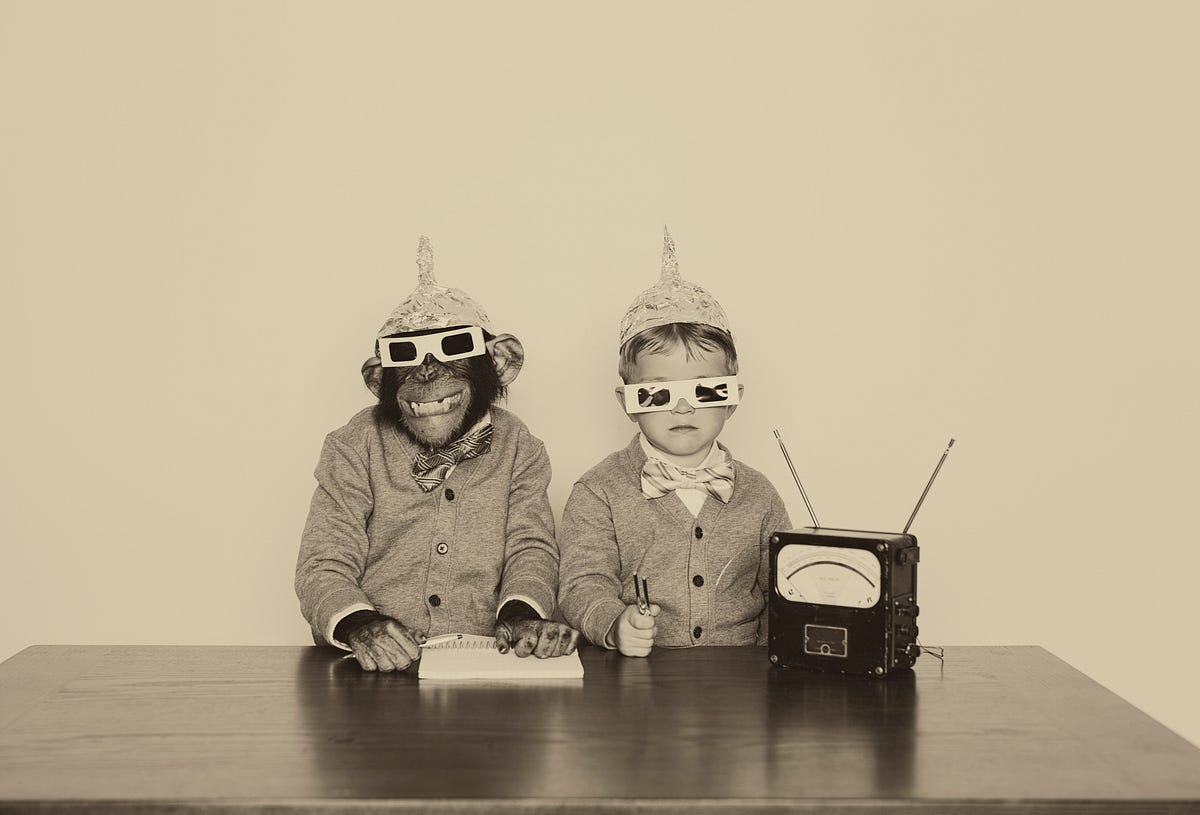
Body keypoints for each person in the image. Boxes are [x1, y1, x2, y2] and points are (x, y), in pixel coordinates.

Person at [296, 237, 579, 671]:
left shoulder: (518, 444)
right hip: (371, 663)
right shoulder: (354, 444)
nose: (427, 373)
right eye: (406, 357)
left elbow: (531, 547)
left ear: (500, 362)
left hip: (484, 659)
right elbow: (324, 559)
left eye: (453, 350)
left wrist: (520, 614)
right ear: (379, 379)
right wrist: (360, 624)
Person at [558, 229, 791, 656]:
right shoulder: (597, 492)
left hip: (741, 682)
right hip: (637, 682)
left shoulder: (761, 495)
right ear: (627, 404)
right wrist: (614, 624)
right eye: (657, 394)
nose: (683, 408)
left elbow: (783, 593)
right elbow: (582, 582)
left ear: (733, 399)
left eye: (705, 391)